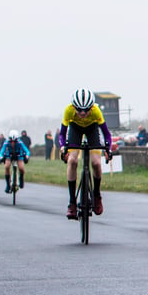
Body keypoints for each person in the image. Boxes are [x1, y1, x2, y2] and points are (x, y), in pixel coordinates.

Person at [59, 89, 113, 219]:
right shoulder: (68, 111)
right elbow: (62, 134)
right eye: (79, 110)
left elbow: (107, 134)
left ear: (91, 107)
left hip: (92, 129)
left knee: (96, 163)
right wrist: (62, 147)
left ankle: (97, 195)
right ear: (73, 107)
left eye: (86, 110)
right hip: (75, 129)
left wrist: (108, 149)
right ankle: (72, 203)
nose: (83, 113)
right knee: (72, 161)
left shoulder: (96, 111)